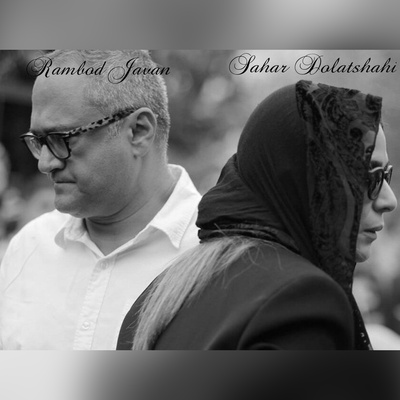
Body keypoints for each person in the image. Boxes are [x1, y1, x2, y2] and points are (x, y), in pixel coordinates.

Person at [118, 80, 397, 350]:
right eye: (367, 175)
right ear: (301, 177)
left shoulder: (158, 298)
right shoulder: (303, 300)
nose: (389, 200)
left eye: (387, 175)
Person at [0, 50, 201, 350]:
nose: (44, 163)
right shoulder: (29, 247)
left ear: (139, 131)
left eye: (61, 139)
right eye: (39, 141)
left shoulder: (215, 257)